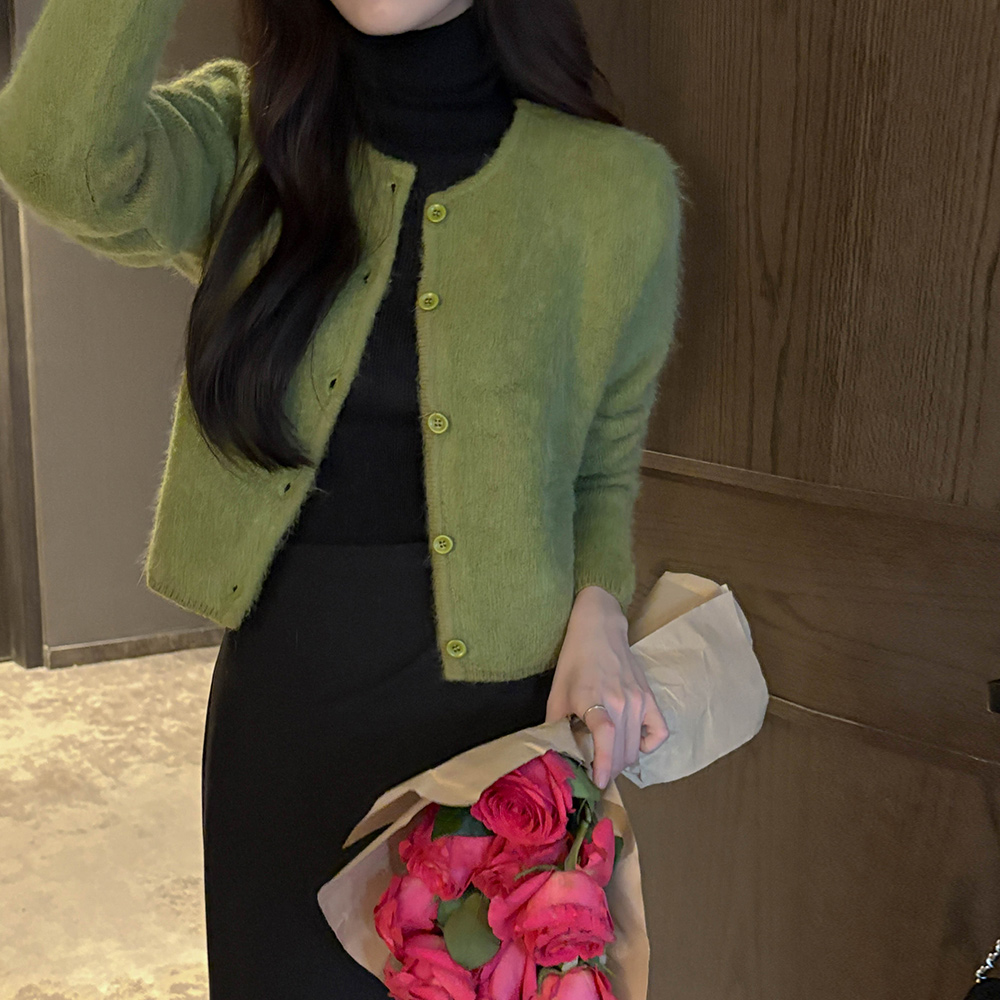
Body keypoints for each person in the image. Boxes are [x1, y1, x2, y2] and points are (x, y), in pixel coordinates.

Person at [0, 0, 682, 994]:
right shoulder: (246, 138)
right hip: (284, 709)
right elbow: (54, 158)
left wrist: (602, 605)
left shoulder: (617, 188)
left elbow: (604, 461)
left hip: (498, 725)